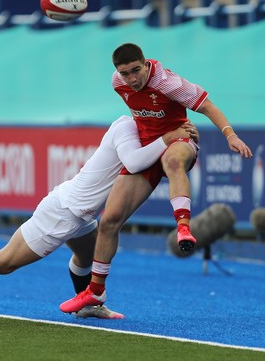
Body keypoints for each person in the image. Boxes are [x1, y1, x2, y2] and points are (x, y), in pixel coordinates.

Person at [60, 43, 253, 314]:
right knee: (109, 222)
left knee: (173, 161)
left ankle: (183, 227)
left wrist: (230, 135)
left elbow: (207, 105)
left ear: (146, 64)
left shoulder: (168, 83)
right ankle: (95, 292)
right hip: (148, 149)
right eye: (125, 73)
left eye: (136, 71)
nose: (131, 79)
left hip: (179, 141)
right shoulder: (118, 82)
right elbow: (143, 113)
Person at [0, 114, 198, 319]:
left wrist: (185, 140)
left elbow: (169, 163)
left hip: (81, 217)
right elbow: (135, 163)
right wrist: (170, 137)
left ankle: (88, 306)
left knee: (89, 256)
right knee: (3, 263)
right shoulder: (125, 126)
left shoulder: (155, 134)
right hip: (62, 213)